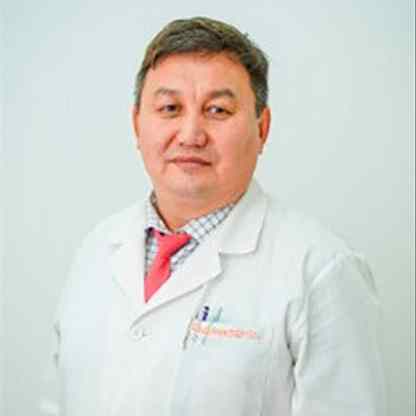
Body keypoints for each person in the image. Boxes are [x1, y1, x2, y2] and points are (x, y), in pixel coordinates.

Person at [40, 16, 386, 416]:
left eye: (217, 110)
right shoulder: (96, 250)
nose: (191, 134)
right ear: (137, 124)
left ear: (262, 128)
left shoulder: (321, 270)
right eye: (170, 108)